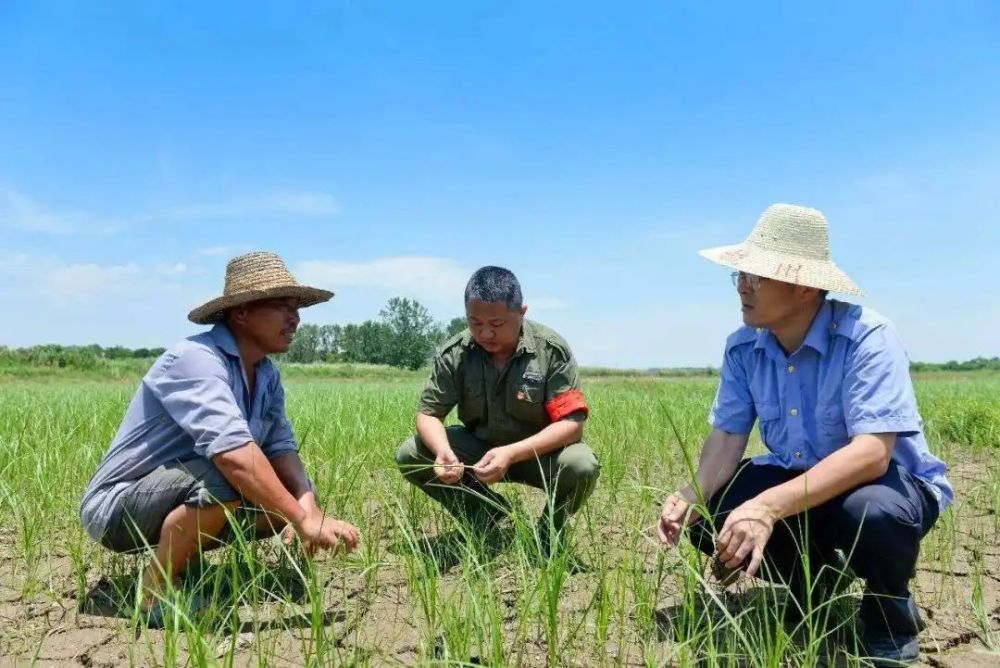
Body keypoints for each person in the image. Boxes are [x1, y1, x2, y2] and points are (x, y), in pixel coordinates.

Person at [657, 204, 951, 666]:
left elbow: (873, 454)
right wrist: (690, 495)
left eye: (757, 276)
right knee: (713, 513)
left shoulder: (866, 337)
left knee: (871, 515)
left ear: (805, 286)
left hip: (884, 488)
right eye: (739, 274)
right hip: (801, 481)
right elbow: (729, 437)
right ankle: (813, 583)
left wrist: (767, 506)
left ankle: (887, 614)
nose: (742, 285)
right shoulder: (742, 348)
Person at [80, 251, 360, 624]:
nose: (295, 318)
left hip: (181, 490)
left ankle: (182, 562)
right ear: (240, 312)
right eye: (281, 306)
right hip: (118, 507)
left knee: (291, 490)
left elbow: (281, 448)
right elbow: (233, 456)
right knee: (226, 478)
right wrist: (302, 519)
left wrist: (308, 506)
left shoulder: (266, 374)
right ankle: (154, 592)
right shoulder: (195, 359)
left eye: (297, 308)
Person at [396, 266, 599, 556]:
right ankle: (484, 512)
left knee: (582, 465)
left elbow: (572, 424)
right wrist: (443, 451)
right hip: (479, 449)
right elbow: (429, 413)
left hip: (537, 454)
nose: (485, 333)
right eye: (475, 323)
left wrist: (511, 454)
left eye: (496, 323)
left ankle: (548, 534)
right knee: (411, 454)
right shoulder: (456, 352)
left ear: (522, 312)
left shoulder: (550, 350)